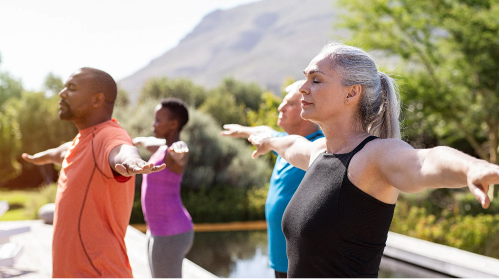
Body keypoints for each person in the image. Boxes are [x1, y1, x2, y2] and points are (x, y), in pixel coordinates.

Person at [248, 42, 497, 279]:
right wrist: (266, 140)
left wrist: (472, 167)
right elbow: (290, 145)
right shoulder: (320, 152)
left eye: (316, 79)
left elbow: (424, 161)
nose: (302, 87)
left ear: (352, 93)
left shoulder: (373, 157)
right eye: (306, 78)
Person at [22, 67, 165, 278]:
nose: (62, 93)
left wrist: (132, 161)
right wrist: (40, 157)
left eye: (71, 88)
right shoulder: (81, 140)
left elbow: (121, 150)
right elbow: (61, 151)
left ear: (97, 100)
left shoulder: (108, 135)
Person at [221, 81, 323, 279]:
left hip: (305, 262)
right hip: (281, 259)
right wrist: (241, 130)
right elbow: (264, 131)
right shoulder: (281, 143)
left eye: (289, 104)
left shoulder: (317, 147)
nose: (280, 107)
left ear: (308, 110)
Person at [133, 98, 194, 279]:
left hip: (171, 232)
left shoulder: (173, 152)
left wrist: (180, 151)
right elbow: (147, 141)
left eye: (158, 120)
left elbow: (181, 154)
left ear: (173, 124)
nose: (154, 124)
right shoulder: (161, 147)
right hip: (157, 230)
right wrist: (133, 140)